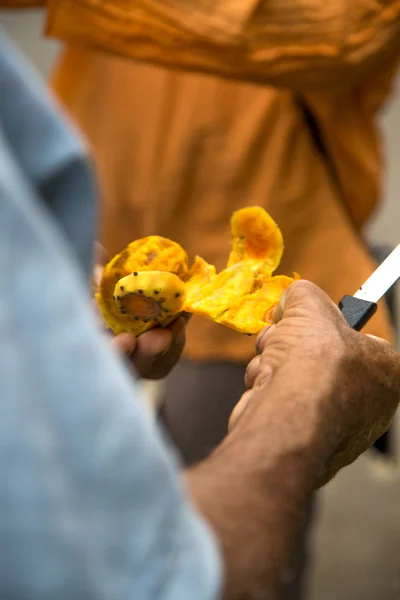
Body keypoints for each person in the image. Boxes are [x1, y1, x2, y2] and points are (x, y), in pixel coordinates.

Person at [1, 27, 400, 600]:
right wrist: (304, 418)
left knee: (214, 466)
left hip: (265, 263)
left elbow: (344, 33)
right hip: (105, 207)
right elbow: (161, 577)